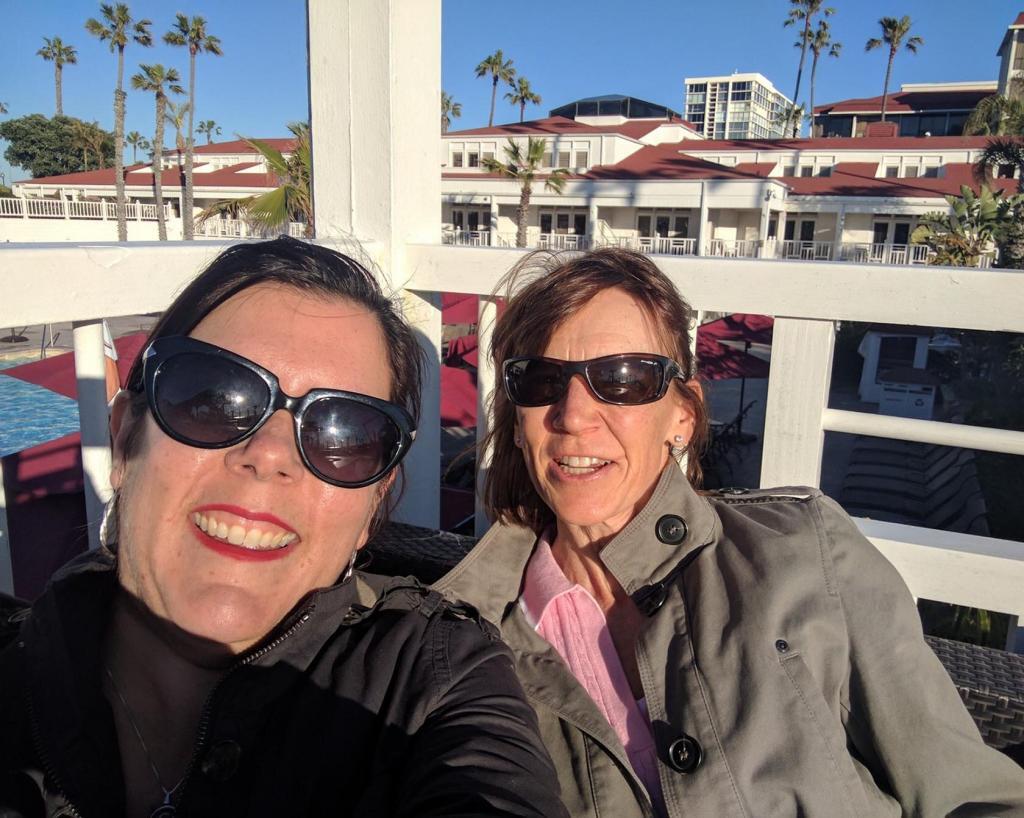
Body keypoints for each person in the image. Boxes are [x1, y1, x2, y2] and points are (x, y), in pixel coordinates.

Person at [435, 246, 1024, 817]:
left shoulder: (804, 551)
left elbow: (969, 795)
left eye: (622, 378)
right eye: (539, 381)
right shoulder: (465, 638)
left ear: (682, 419)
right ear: (518, 426)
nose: (573, 414)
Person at [0, 237, 566, 818]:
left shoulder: (435, 684)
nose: (269, 454)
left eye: (344, 432)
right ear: (124, 439)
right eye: (214, 398)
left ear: (372, 508)